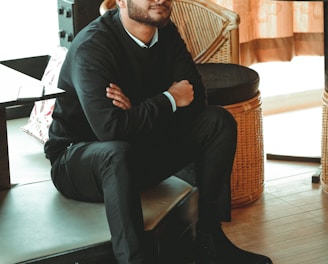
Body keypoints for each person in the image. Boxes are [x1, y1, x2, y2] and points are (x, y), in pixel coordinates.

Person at [44, 0, 273, 263]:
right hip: (77, 161)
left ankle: (210, 242)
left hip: (138, 147)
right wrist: (168, 98)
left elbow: (197, 101)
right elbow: (110, 130)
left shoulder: (166, 33)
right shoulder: (93, 47)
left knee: (217, 121)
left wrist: (137, 109)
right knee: (115, 152)